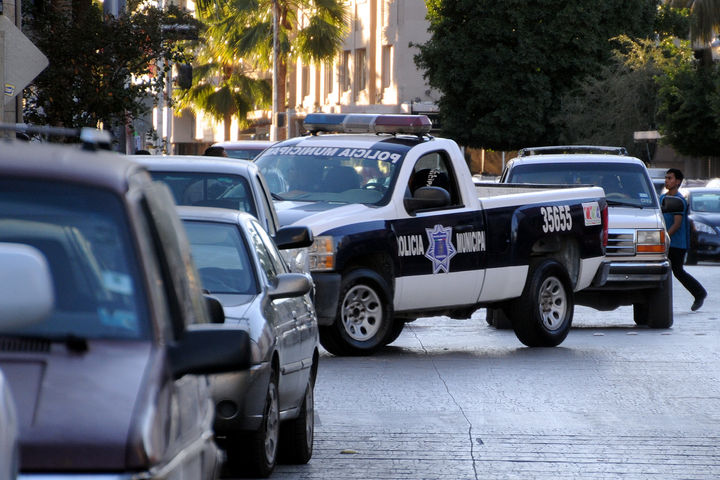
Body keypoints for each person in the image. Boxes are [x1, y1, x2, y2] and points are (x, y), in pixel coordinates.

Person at [661, 168, 707, 311]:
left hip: (676, 244)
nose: (666, 180)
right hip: (666, 242)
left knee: (678, 271)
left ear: (678, 182)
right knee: (663, 271)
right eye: (666, 178)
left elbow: (677, 224)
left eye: (670, 178)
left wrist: (664, 238)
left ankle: (699, 293)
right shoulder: (662, 198)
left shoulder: (678, 200)